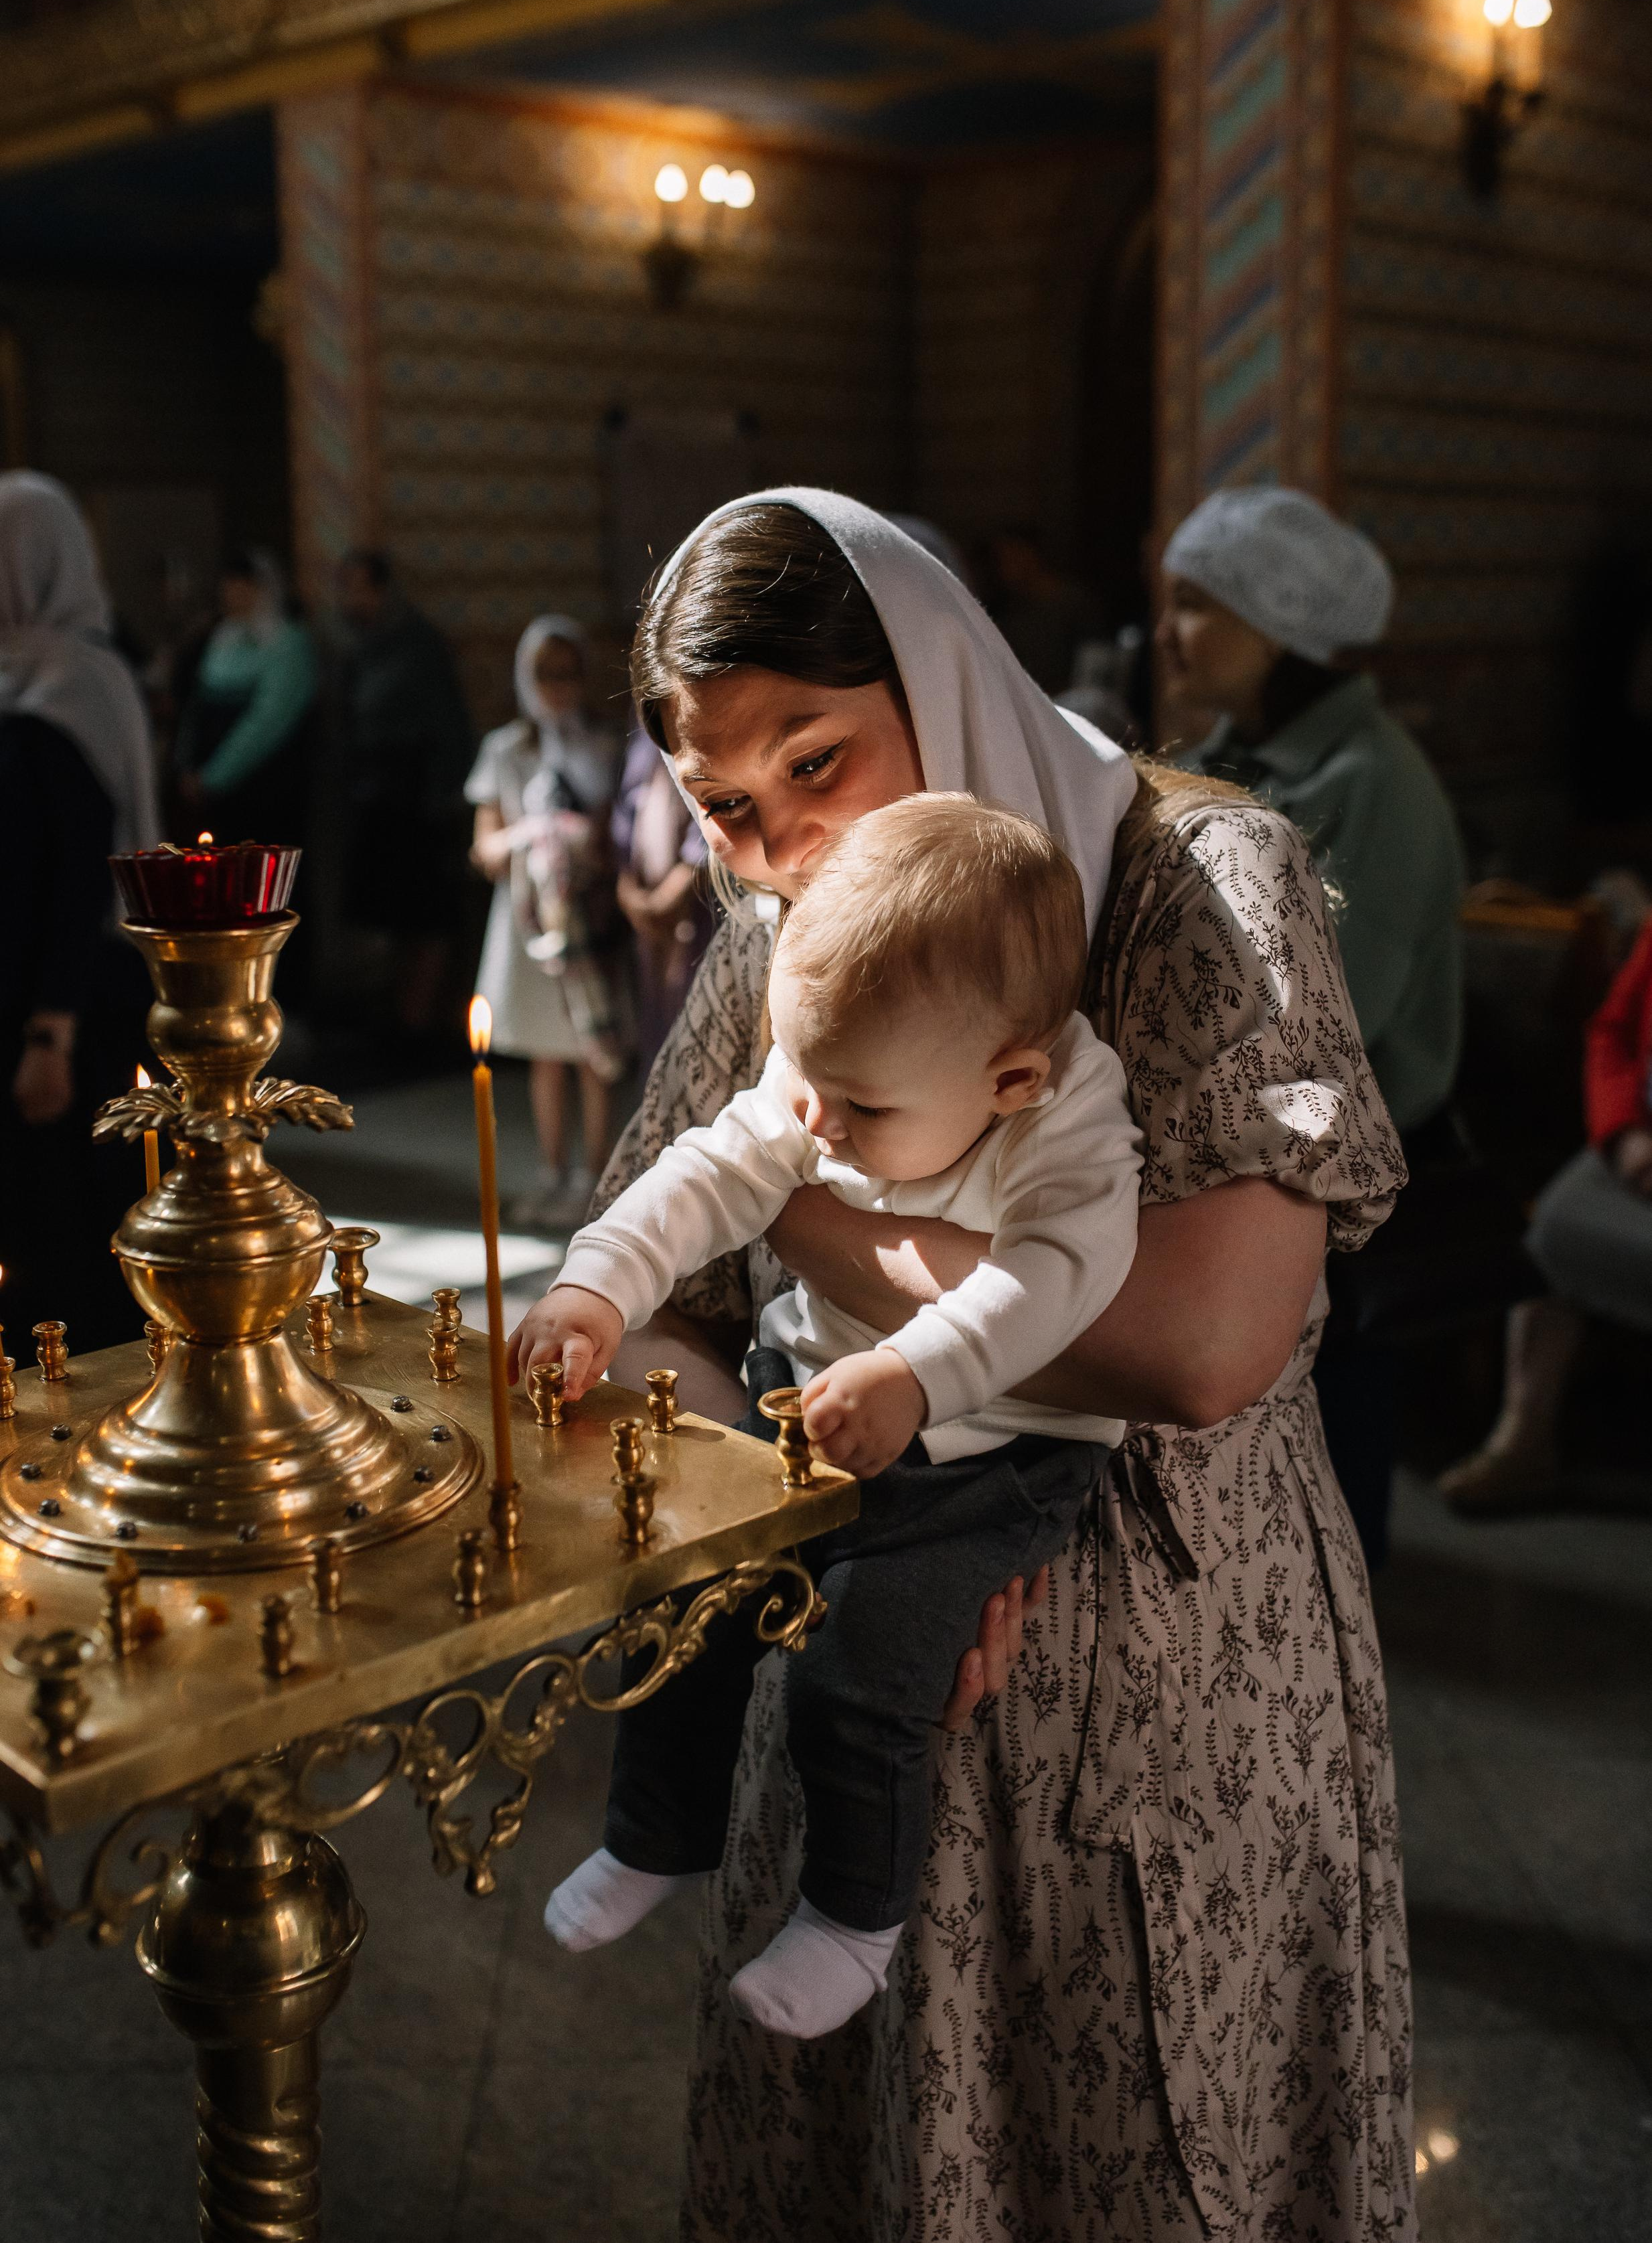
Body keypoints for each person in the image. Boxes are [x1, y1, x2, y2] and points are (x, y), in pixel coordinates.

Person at [585, 489, 1414, 2240]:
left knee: (1135, 2141)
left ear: (934, 666)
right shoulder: (777, 934)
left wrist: (795, 1217)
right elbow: (661, 1292)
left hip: (1159, 1668)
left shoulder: (1188, 874)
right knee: (869, 2152)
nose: (787, 843)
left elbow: (1202, 1339)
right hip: (850, 1599)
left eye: (818, 759)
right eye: (728, 808)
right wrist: (775, 1469)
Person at [522, 795, 1141, 2038]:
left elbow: (1058, 1277)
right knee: (684, 1598)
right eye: (800, 1072)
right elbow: (708, 1169)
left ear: (1007, 1077)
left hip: (985, 1460)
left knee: (854, 1678)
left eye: (858, 1111)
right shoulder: (833, 1070)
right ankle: (656, 1836)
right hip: (806, 1414)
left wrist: (917, 1372)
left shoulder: (1067, 1112)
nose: (816, 1123)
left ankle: (855, 1920)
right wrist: (597, 1286)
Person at [1160, 485, 1465, 1565]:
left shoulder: (1369, 782)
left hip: (1345, 1174)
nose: (1168, 633)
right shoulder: (1248, 756)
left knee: (1331, 1474)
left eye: (1195, 605)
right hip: (1267, 1147)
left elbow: (1334, 1027)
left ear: (1275, 625)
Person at [0, 471, 157, 1358]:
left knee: (68, 1219)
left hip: (67, 1009)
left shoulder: (75, 680)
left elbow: (79, 877)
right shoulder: (19, 673)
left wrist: (50, 1034)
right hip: (20, 1000)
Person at [1441, 911, 1652, 1506]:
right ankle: (1522, 1445)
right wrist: (1626, 1136)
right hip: (1638, 1141)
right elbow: (1611, 1033)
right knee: (1557, 1231)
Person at [467, 615, 623, 1227]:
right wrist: (534, 836)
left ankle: (595, 1175)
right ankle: (552, 1171)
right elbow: (484, 850)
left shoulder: (605, 746)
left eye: (567, 673)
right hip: (528, 923)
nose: (557, 686)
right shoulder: (504, 750)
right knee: (546, 1053)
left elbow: (614, 838)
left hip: (588, 915)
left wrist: (583, 844)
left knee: (593, 1047)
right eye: (544, 674)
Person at [333, 548, 473, 1036]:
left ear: (379, 588)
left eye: (356, 586)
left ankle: (417, 1025)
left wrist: (441, 800)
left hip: (419, 799)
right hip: (376, 799)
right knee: (383, 917)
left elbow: (447, 726)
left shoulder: (418, 644)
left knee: (427, 917)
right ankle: (391, 1023)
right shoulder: (361, 645)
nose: (347, 598)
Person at [172, 547, 317, 844]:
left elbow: (268, 720)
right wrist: (187, 766)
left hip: (267, 787)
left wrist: (215, 776)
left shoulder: (287, 643)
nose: (231, 596)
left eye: (242, 588)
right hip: (217, 790)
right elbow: (198, 705)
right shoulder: (224, 637)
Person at [610, 716, 710, 1077]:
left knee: (695, 1010)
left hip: (697, 900)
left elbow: (710, 805)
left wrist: (676, 888)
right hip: (647, 901)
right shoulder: (638, 738)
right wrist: (627, 885)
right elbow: (626, 808)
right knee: (655, 1017)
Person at [978, 522, 1092, 692]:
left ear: (1031, 556)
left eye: (1010, 558)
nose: (1004, 567)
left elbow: (1092, 664)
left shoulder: (1073, 604)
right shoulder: (1005, 610)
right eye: (999, 560)